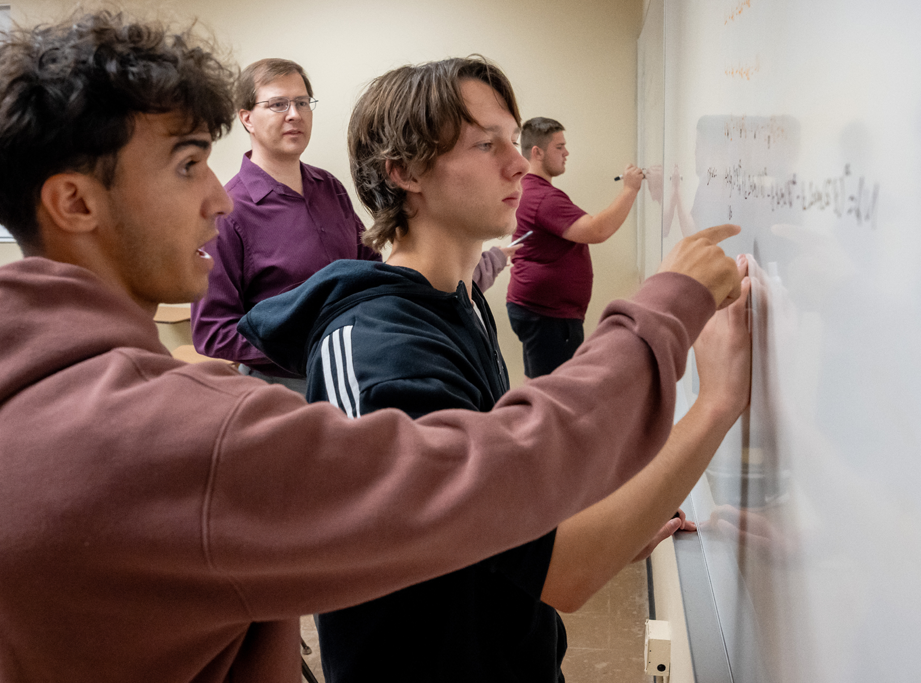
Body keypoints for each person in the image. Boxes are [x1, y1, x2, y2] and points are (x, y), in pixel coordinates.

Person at [0, 12, 746, 683]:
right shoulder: (159, 435)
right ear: (76, 203)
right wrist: (667, 316)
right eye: (190, 165)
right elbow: (494, 474)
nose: (222, 204)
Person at [239, 58, 750, 682]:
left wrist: (622, 516)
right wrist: (717, 402)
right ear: (402, 172)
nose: (518, 163)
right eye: (486, 144)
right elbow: (562, 567)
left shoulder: (461, 299)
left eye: (513, 139)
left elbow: (513, 500)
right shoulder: (377, 354)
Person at [189, 58, 511, 391]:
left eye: (302, 102)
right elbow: (212, 332)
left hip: (360, 358)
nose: (294, 114)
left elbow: (369, 270)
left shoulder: (329, 187)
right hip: (283, 385)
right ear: (247, 119)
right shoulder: (228, 212)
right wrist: (318, 342)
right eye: (277, 104)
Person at [506, 116, 645, 378]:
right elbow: (597, 230)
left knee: (541, 383)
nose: (566, 152)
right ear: (537, 152)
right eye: (559, 147)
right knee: (553, 393)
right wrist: (630, 189)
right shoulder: (544, 198)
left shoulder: (528, 189)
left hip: (537, 308)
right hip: (548, 315)